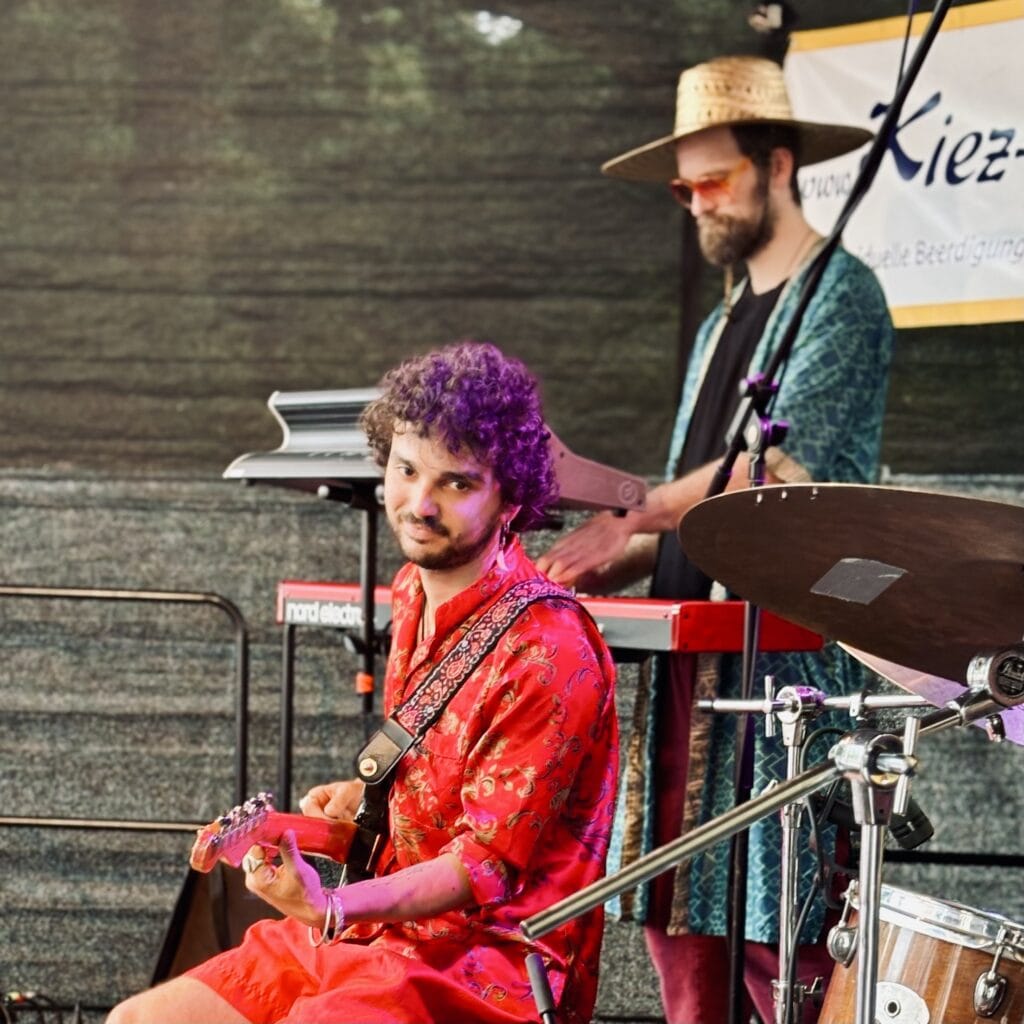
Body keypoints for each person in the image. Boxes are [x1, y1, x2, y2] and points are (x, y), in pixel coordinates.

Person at [108, 341, 619, 1024]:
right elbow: (445, 780)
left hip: (491, 964)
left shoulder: (548, 649)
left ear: (511, 499)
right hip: (380, 938)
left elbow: (485, 867)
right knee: (138, 1021)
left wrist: (332, 903)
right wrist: (360, 802)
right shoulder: (412, 590)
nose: (420, 503)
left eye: (456, 483)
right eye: (407, 470)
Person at [537, 55, 894, 1024]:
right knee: (678, 926)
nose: (695, 204)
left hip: (784, 665)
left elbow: (785, 479)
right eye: (681, 187)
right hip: (690, 663)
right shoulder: (723, 325)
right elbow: (699, 512)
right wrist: (611, 555)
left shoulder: (840, 298)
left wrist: (635, 509)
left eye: (713, 180)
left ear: (778, 166)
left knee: (784, 933)